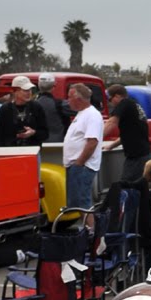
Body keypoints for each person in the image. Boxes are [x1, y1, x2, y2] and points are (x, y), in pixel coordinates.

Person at [62, 82, 104, 210]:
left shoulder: (92, 115)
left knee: (83, 201)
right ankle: (87, 228)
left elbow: (92, 142)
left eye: (69, 97)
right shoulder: (82, 114)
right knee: (77, 203)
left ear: (78, 99)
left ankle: (91, 229)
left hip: (83, 166)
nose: (67, 100)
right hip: (77, 165)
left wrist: (79, 163)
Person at [105, 83, 151, 183]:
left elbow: (111, 122)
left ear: (117, 96)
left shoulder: (124, 103)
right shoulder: (134, 105)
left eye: (110, 99)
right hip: (144, 154)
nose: (109, 102)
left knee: (126, 185)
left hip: (137, 157)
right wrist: (111, 146)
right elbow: (129, 134)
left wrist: (95, 138)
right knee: (140, 187)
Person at [0, 75, 48, 148]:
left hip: (32, 152)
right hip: (11, 153)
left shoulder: (36, 107)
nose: (29, 92)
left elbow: (45, 134)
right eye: (25, 90)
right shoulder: (5, 109)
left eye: (30, 89)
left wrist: (33, 132)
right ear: (15, 91)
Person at [34, 73, 69, 142]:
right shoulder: (61, 104)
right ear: (53, 86)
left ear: (38, 85)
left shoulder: (32, 105)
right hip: (57, 145)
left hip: (38, 145)